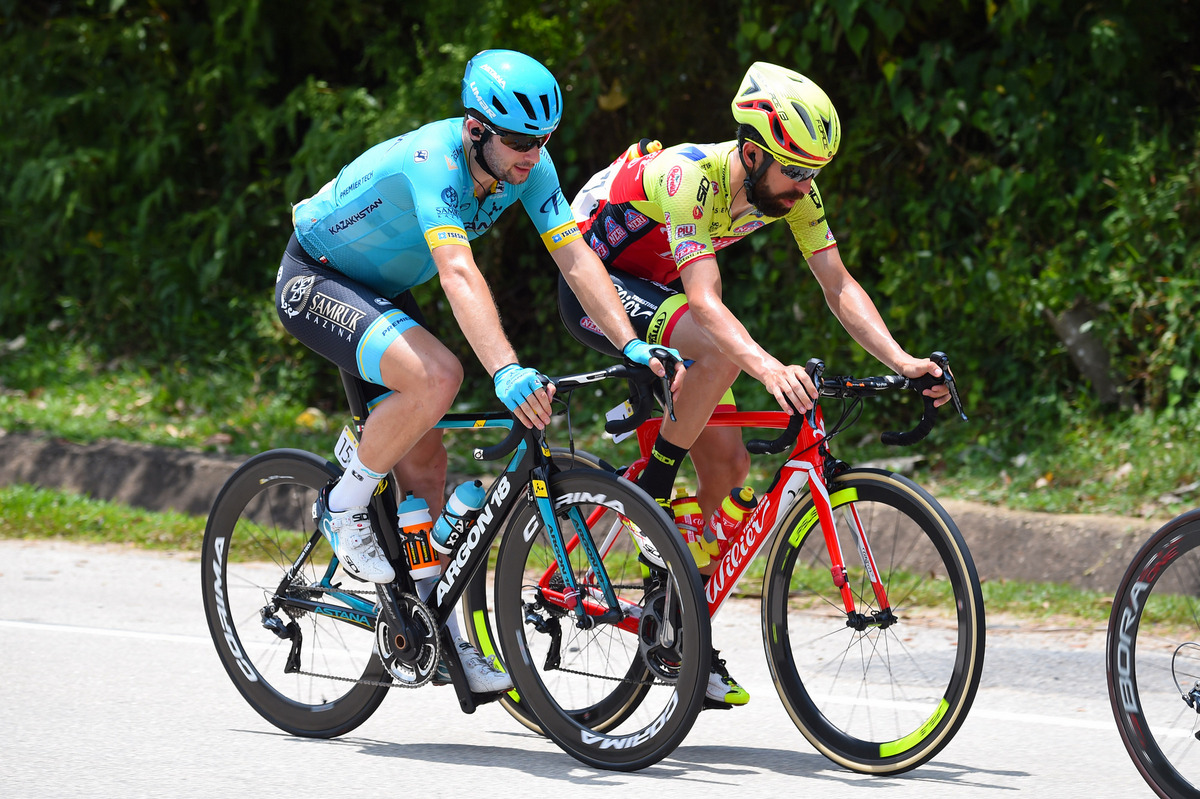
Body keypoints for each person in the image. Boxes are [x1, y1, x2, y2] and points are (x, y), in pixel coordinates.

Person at [276, 49, 683, 694]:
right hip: (318, 274)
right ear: (476, 130)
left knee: (427, 464)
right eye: (519, 141)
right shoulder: (433, 161)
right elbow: (458, 271)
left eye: (542, 141)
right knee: (439, 377)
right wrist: (507, 369)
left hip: (380, 289)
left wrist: (630, 343)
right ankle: (343, 503)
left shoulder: (531, 168)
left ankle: (437, 632)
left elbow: (576, 258)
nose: (532, 155)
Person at [557, 61, 950, 707]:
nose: (804, 188)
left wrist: (902, 360)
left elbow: (837, 283)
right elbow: (704, 301)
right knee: (722, 350)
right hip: (595, 282)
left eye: (813, 174)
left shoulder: (793, 189)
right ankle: (652, 491)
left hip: (659, 290)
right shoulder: (690, 176)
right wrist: (768, 368)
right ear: (751, 153)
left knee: (729, 467)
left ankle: (674, 626)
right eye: (794, 172)